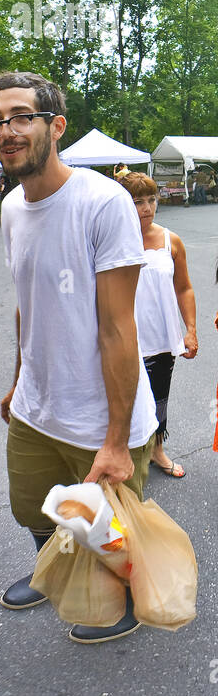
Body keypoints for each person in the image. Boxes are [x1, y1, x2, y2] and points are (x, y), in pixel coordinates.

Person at [0, 71, 151, 644]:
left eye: (20, 117)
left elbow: (117, 326)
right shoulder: (10, 207)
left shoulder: (103, 202)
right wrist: (17, 382)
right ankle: (53, 571)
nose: (6, 131)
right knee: (34, 508)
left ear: (55, 126)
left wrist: (117, 437)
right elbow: (26, 306)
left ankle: (121, 593)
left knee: (109, 525)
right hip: (37, 404)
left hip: (100, 411)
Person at [117, 170, 195, 480]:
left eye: (152, 200)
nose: (147, 208)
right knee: (124, 399)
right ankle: (122, 454)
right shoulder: (112, 241)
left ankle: (157, 451)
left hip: (162, 337)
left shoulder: (170, 241)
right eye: (137, 202)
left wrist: (190, 329)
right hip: (124, 338)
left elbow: (184, 288)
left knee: (159, 397)